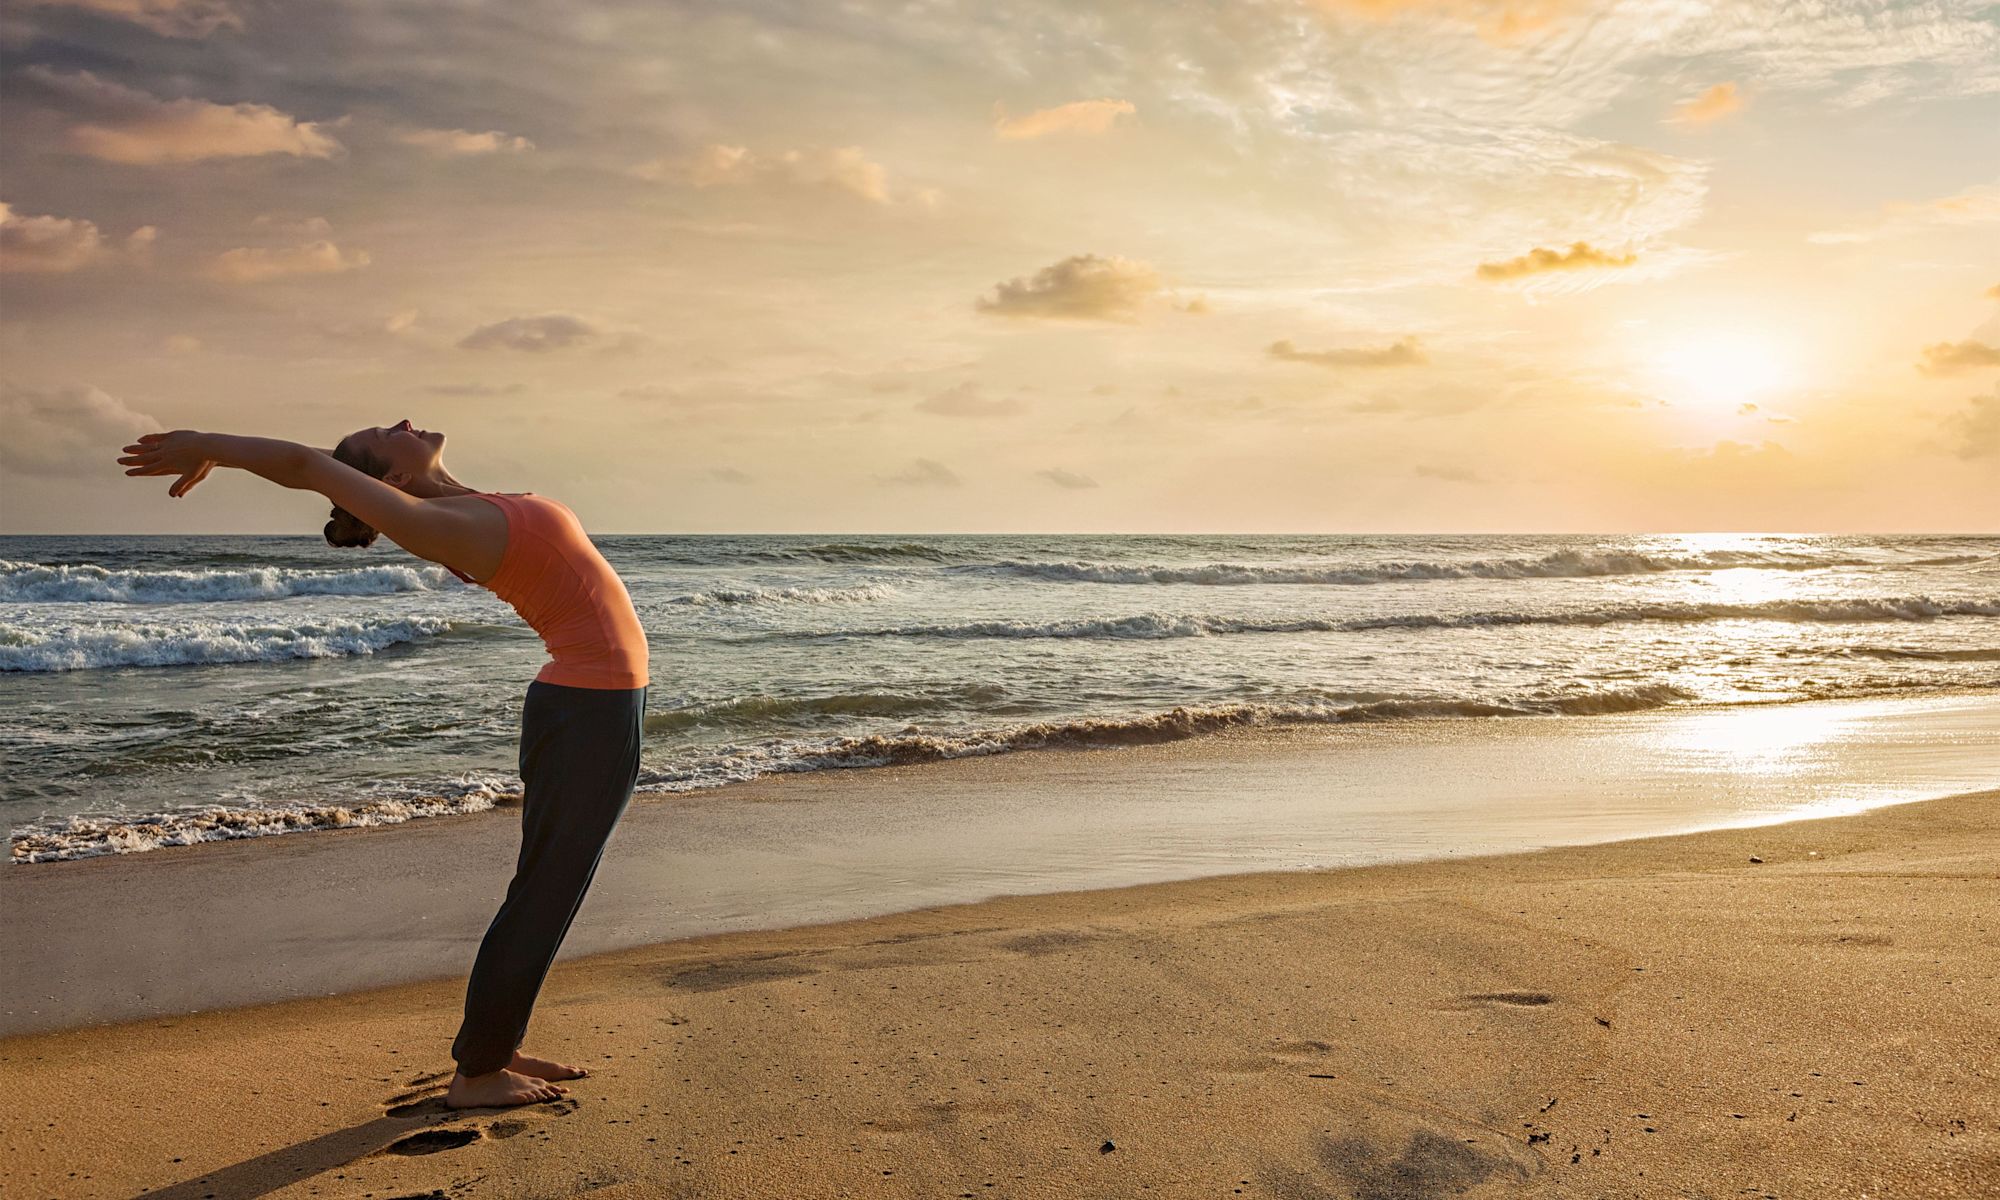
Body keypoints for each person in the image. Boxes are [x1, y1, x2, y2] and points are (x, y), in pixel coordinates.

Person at [117, 420, 650, 1110]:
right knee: (547, 892)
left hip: (596, 702)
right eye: (382, 431)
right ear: (390, 480)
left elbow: (315, 467)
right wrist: (214, 447)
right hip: (588, 707)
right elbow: (306, 464)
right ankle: (479, 1072)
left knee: (545, 888)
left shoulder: (465, 505)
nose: (399, 421)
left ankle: (495, 1045)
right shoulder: (431, 522)